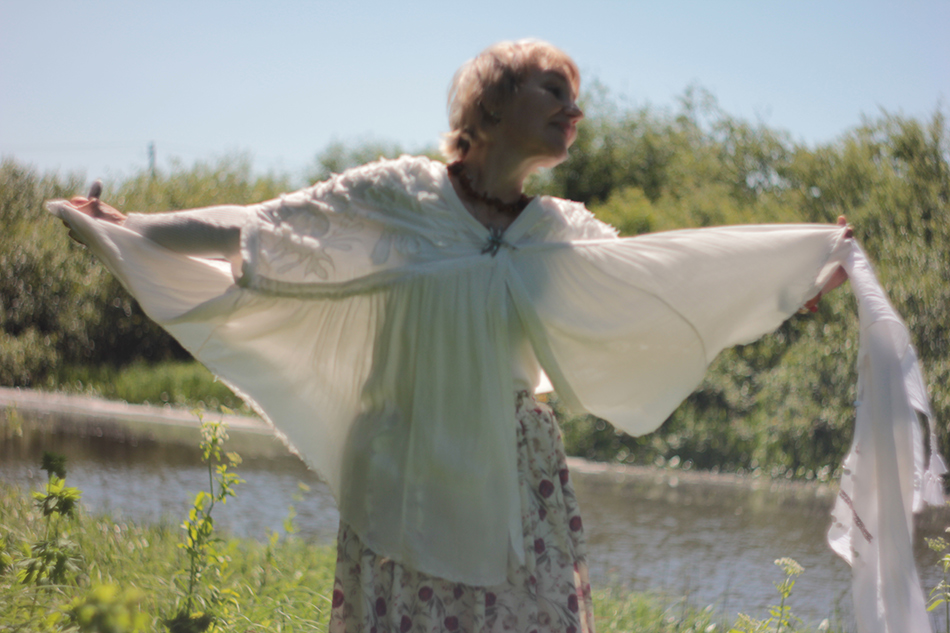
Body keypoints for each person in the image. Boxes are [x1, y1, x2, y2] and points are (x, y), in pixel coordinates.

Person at [50, 40, 941, 633]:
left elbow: (666, 281)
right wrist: (134, 227)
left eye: (576, 100)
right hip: (404, 460)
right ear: (488, 105)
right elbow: (262, 227)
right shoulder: (403, 194)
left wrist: (798, 273)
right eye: (554, 91)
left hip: (516, 471)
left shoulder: (557, 230)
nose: (572, 110)